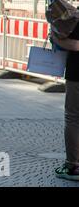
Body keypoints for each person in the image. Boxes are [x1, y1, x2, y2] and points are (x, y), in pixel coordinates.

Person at [52, 22, 79, 181]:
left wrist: (56, 38)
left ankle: (73, 165)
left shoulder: (75, 17)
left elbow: (76, 45)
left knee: (73, 118)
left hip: (77, 75)